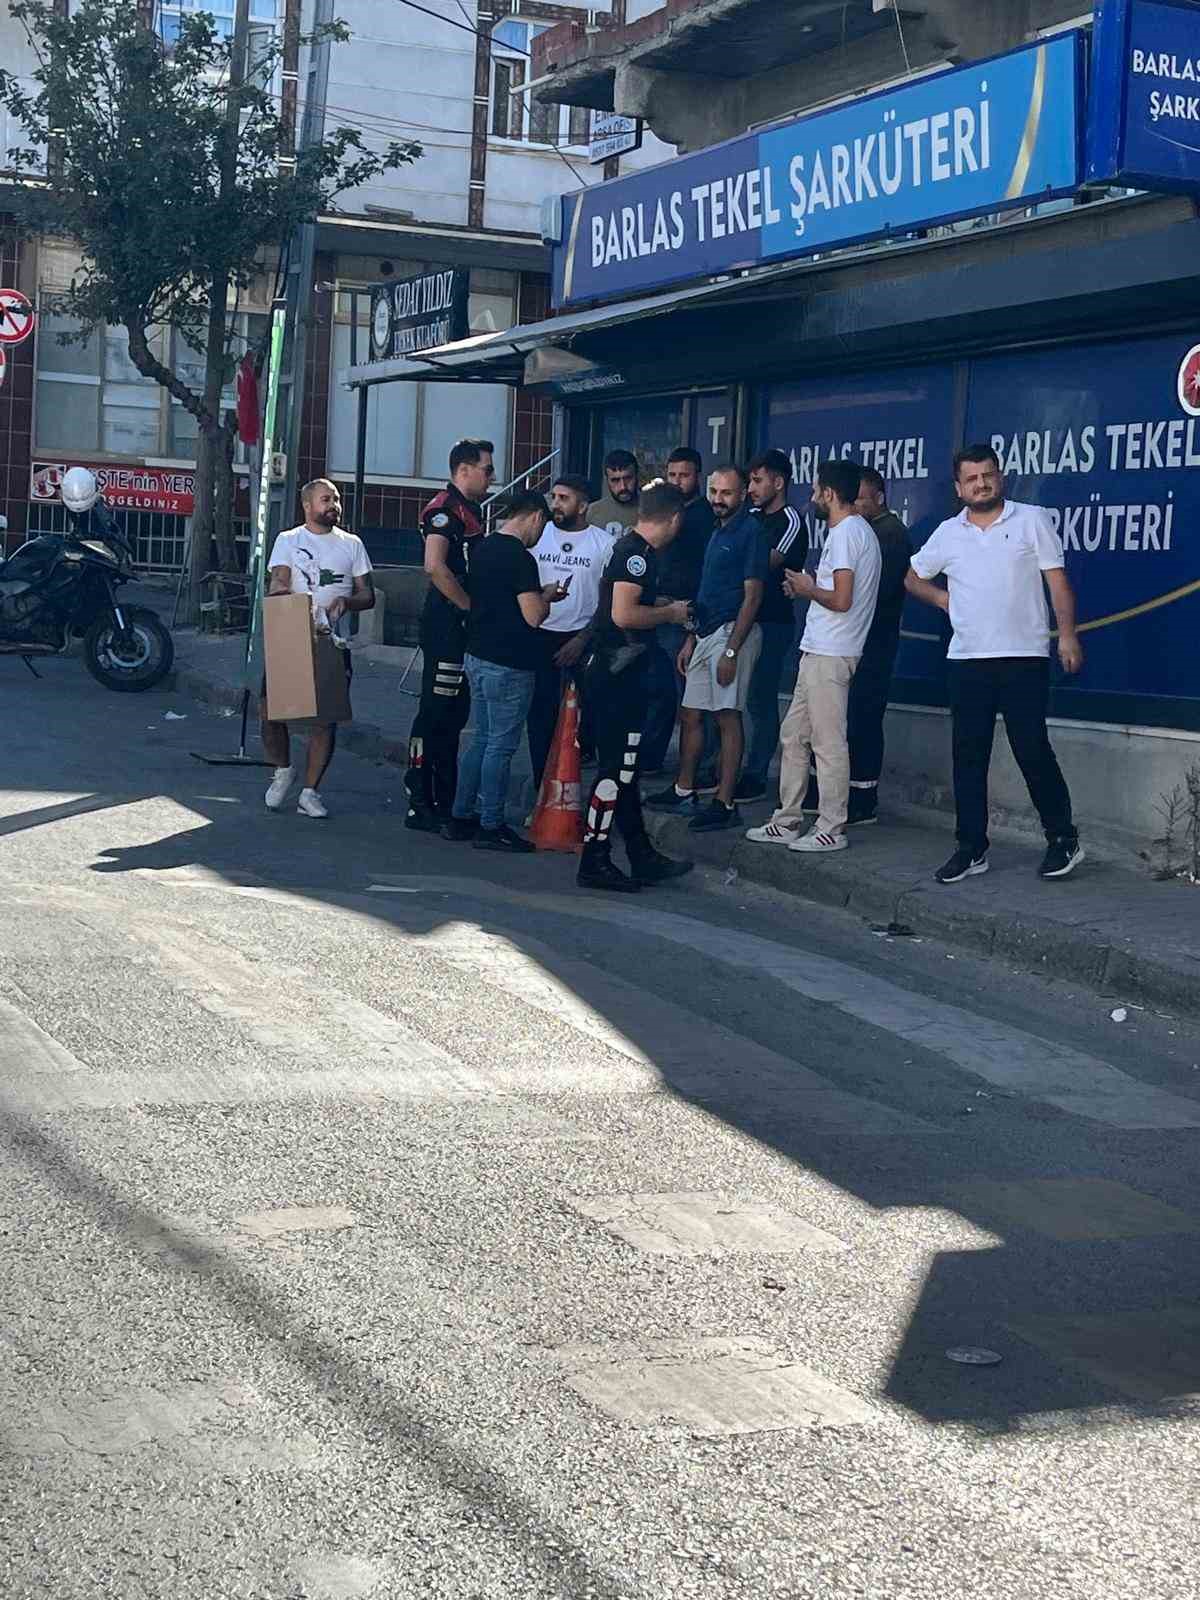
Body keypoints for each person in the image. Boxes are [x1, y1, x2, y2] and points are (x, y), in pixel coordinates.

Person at [905, 443, 1085, 883]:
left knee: (1031, 749)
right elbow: (911, 577)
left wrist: (1067, 635)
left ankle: (1063, 839)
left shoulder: (1031, 519)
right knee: (969, 756)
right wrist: (943, 598)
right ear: (959, 487)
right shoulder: (948, 532)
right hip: (967, 660)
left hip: (1023, 657)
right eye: (972, 478)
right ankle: (971, 848)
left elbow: (1057, 582)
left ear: (1000, 477)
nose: (981, 483)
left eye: (988, 475)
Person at [746, 459, 881, 854]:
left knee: (827, 742)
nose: (812, 497)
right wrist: (807, 588)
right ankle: (787, 819)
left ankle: (831, 826)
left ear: (830, 494)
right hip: (820, 648)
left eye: (817, 490)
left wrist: (807, 588)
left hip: (833, 652)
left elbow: (842, 599)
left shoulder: (845, 534)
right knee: (794, 735)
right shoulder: (854, 532)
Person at [579, 483, 695, 893]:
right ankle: (594, 859)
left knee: (625, 772)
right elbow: (625, 614)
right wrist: (670, 612)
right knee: (614, 772)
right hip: (618, 676)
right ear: (675, 518)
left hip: (618, 672)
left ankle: (641, 855)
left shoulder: (632, 551)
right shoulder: (637, 557)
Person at [647, 465, 766, 832]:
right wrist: (691, 637)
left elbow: (753, 596)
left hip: (733, 633)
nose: (718, 499)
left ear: (743, 493)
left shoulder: (751, 531)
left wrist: (732, 650)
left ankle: (724, 802)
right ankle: (684, 789)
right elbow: (707, 590)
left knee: (727, 716)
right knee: (691, 713)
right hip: (704, 632)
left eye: (726, 493)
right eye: (714, 491)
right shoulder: (718, 531)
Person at [446, 493, 566, 852]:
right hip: (510, 661)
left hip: (477, 654)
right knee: (501, 744)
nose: (541, 532)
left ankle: (460, 815)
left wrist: (535, 593)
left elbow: (497, 596)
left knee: (481, 739)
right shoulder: (521, 558)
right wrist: (547, 599)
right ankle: (491, 823)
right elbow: (533, 616)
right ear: (534, 517)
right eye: (543, 524)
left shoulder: (483, 548)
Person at [801, 467, 912, 826]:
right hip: (848, 638)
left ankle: (862, 798)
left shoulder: (887, 533)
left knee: (862, 717)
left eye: (860, 499)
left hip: (872, 640)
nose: (854, 505)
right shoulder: (855, 529)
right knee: (827, 725)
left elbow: (867, 593)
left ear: (880, 497)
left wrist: (817, 591)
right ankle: (825, 796)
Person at [261, 478, 374, 819]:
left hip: (331, 639)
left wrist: (346, 602)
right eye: (326, 499)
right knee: (270, 711)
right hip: (291, 632)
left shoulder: (352, 544)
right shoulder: (289, 540)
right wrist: (282, 592)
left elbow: (367, 594)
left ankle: (310, 792)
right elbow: (279, 578)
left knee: (325, 720)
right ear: (308, 506)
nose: (334, 505)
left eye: (336, 499)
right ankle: (283, 770)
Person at [403, 439, 494, 832]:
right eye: (487, 469)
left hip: (460, 628)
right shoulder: (444, 510)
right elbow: (435, 567)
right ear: (464, 470)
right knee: (435, 713)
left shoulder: (469, 510)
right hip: (446, 626)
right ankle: (420, 798)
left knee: (454, 715)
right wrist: (469, 607)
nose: (492, 476)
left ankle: (444, 798)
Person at [526, 474, 614, 794]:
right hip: (540, 634)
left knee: (583, 719)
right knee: (540, 717)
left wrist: (582, 639)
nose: (555, 504)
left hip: (583, 638)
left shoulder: (604, 544)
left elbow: (610, 602)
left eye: (564, 498)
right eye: (554, 497)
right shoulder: (538, 534)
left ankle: (577, 793)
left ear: (583, 504)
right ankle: (540, 791)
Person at [640, 446, 717, 775]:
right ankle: (653, 759)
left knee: (693, 698)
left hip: (686, 612)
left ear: (698, 475)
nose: (677, 481)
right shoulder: (661, 509)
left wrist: (692, 625)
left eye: (684, 475)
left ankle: (700, 766)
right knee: (658, 692)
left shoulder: (703, 516)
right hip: (657, 608)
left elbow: (706, 572)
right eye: (671, 475)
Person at [737, 448, 808, 802]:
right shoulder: (747, 516)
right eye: (750, 480)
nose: (751, 487)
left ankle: (756, 774)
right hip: (738, 619)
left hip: (772, 622)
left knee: (760, 699)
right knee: (730, 699)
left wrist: (739, 558)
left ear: (778, 483)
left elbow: (761, 564)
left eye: (758, 480)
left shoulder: (791, 520)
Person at [588, 449, 640, 537]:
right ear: (607, 480)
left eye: (628, 478)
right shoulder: (592, 512)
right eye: (615, 480)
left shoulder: (653, 510)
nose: (623, 486)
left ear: (637, 476)